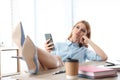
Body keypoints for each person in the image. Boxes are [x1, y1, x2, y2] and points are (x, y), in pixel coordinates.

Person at [22, 20, 108, 74]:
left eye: (83, 30)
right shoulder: (58, 44)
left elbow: (104, 57)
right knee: (48, 61)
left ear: (86, 35)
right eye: (77, 27)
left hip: (66, 71)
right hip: (51, 70)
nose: (78, 31)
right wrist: (46, 51)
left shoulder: (84, 51)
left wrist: (89, 41)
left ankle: (29, 48)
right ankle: (32, 57)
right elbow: (48, 60)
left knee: (58, 59)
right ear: (72, 28)